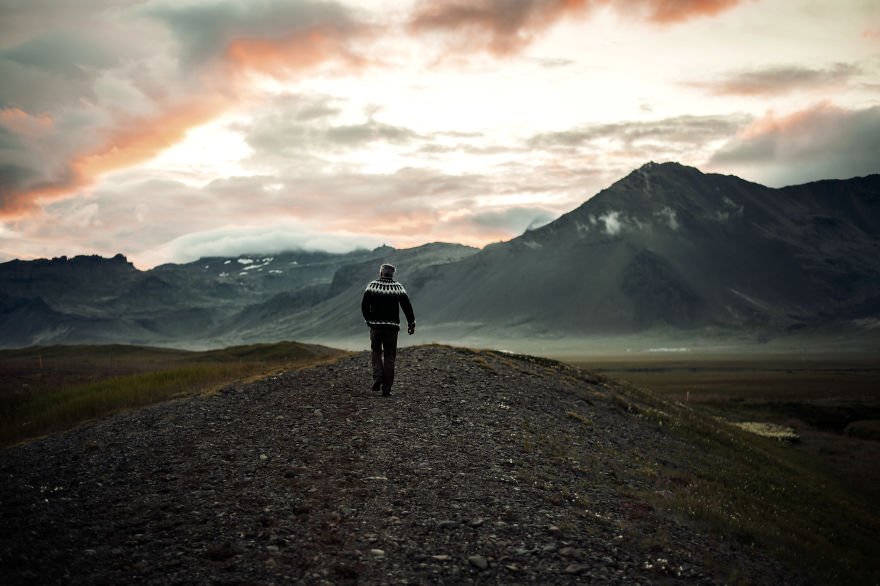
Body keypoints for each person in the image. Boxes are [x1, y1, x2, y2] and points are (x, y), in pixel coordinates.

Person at [361, 263, 415, 396]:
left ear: (381, 273)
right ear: (392, 274)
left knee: (376, 352)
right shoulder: (398, 287)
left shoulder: (372, 286)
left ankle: (378, 376)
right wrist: (411, 324)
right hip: (392, 328)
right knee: (390, 356)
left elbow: (364, 305)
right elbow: (407, 306)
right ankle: (386, 389)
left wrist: (369, 320)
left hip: (376, 327)